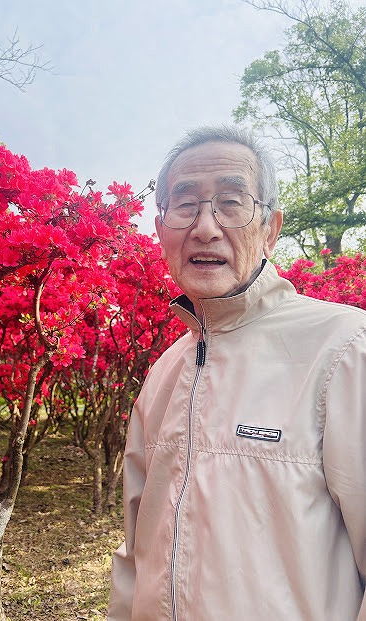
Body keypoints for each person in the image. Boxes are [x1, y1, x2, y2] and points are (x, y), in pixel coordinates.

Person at [107, 125, 366, 621]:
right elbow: (137, 551)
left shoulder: (345, 350)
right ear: (160, 229)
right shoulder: (164, 372)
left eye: (231, 202)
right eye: (185, 204)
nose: (205, 227)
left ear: (270, 228)